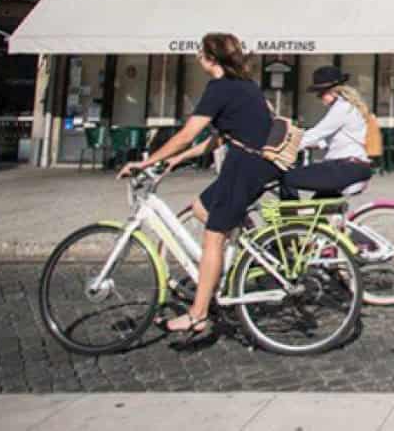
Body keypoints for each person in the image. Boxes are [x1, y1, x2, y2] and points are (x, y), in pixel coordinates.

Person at [119, 32, 279, 337]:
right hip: (251, 164)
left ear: (212, 58)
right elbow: (220, 137)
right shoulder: (244, 87)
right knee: (200, 207)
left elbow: (186, 134)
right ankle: (234, 255)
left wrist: (146, 162)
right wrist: (180, 159)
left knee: (213, 238)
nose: (197, 57)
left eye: (200, 52)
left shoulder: (218, 89)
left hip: (244, 168)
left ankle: (198, 315)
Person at [280, 66, 373, 198]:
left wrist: (284, 146)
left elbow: (315, 134)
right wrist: (313, 144)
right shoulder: (348, 107)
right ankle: (303, 218)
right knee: (313, 213)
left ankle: (289, 218)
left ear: (333, 92)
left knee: (287, 177)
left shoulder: (341, 108)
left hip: (344, 168)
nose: (319, 98)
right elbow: (332, 138)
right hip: (353, 168)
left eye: (320, 93)